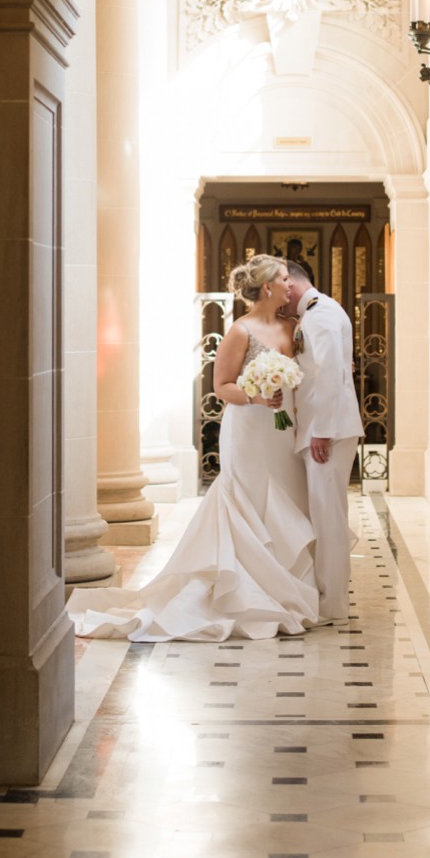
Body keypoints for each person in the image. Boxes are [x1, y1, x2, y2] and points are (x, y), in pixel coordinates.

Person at [66, 256, 319, 642]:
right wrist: (255, 395)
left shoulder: (294, 326)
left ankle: (285, 585)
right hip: (251, 428)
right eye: (285, 279)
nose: (291, 285)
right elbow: (222, 386)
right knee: (250, 500)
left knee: (285, 496)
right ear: (267, 287)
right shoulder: (241, 331)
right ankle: (246, 590)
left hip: (283, 430)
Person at [285, 259, 364, 623]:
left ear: (293, 284)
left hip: (328, 432)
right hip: (323, 428)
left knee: (328, 515)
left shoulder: (322, 314)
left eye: (281, 287)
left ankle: (333, 604)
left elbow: (333, 372)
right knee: (322, 512)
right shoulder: (315, 313)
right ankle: (325, 594)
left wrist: (322, 429)